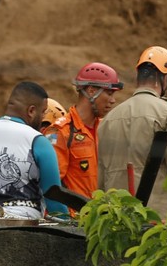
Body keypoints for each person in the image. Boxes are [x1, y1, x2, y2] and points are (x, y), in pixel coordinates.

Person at [97, 46, 167, 217]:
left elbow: (101, 182)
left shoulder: (108, 120)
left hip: (116, 221)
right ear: (164, 78)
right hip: (157, 222)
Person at [0, 81, 69, 219]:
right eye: (43, 112)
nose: (43, 118)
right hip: (24, 230)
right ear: (31, 111)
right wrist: (68, 226)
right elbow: (54, 200)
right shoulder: (38, 142)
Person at [44, 62, 122, 199]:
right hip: (73, 218)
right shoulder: (59, 132)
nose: (113, 100)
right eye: (109, 93)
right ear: (91, 91)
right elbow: (51, 187)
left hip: (100, 217)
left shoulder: (106, 130)